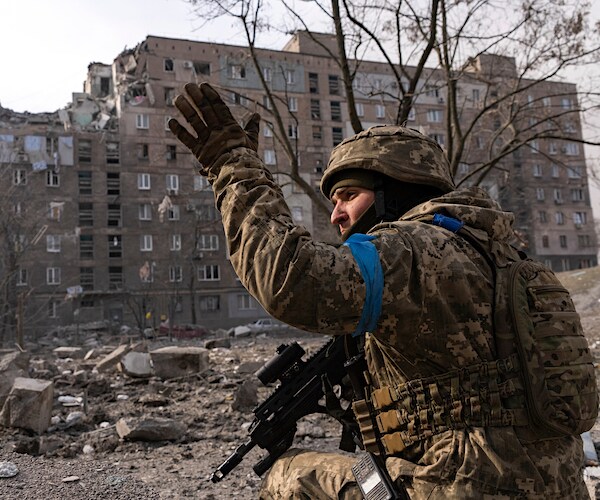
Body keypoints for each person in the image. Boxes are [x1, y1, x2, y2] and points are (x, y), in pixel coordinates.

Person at [168, 82, 594, 499]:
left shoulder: (409, 249)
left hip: (459, 484)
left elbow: (290, 279)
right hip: (556, 484)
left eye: (348, 196)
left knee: (287, 475)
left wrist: (233, 166)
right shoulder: (509, 259)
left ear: (396, 193)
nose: (336, 215)